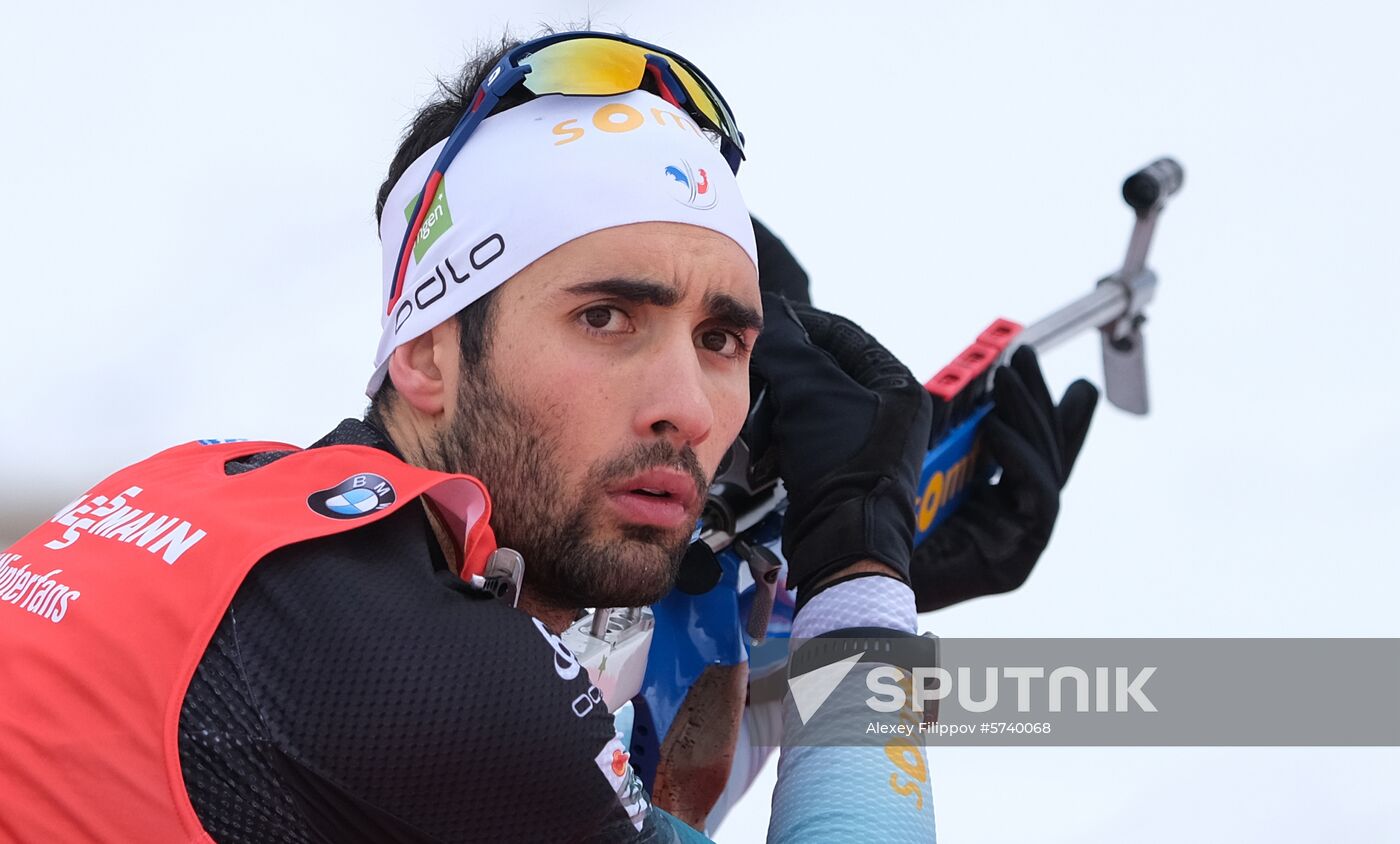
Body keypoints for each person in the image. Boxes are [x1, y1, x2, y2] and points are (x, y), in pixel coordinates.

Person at [0, 31, 949, 843]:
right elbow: (531, 744)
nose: (689, 409)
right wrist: (861, 574)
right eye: (607, 319)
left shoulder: (196, 485)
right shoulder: (434, 683)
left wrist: (780, 600)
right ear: (425, 354)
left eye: (720, 341)